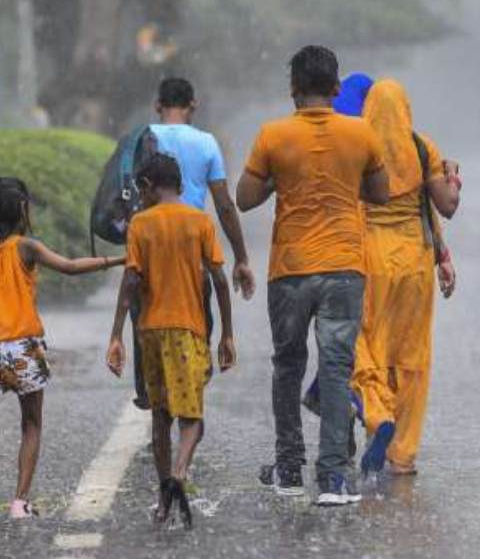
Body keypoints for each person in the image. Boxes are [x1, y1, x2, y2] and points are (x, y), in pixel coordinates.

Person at [236, 45, 389, 506]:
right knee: (338, 370)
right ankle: (334, 479)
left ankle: (288, 468)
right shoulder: (361, 133)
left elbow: (245, 197)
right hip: (344, 267)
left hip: (291, 270)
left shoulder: (273, 135)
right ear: (337, 87)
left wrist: (282, 175)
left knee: (287, 366)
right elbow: (380, 193)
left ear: (293, 91)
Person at [0, 178, 123, 523]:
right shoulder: (27, 247)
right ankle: (19, 503)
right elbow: (71, 267)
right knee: (31, 424)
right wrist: (120, 259)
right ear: (21, 210)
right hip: (23, 348)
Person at [106, 154, 235, 529]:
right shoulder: (199, 221)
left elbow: (131, 282)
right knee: (192, 416)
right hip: (189, 331)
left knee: (160, 416)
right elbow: (220, 281)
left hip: (151, 331)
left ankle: (164, 497)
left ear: (147, 187)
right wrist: (226, 333)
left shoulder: (140, 224)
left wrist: (116, 334)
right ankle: (179, 473)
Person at [350, 78, 461, 477]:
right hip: (416, 261)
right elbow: (441, 207)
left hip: (370, 258)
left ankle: (378, 417)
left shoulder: (358, 144)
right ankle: (402, 454)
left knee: (365, 344)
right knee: (411, 356)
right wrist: (452, 179)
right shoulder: (421, 146)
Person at [128, 77, 254, 411]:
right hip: (191, 258)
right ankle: (192, 381)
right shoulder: (206, 143)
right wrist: (241, 257)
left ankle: (147, 387)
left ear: (158, 106)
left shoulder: (144, 138)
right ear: (193, 105)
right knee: (196, 325)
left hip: (150, 253)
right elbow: (225, 205)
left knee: (144, 320)